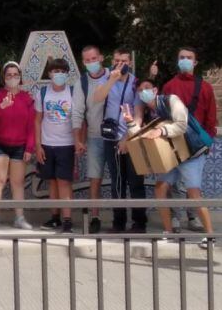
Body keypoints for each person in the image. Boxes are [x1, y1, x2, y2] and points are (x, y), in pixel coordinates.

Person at [132, 79, 215, 249]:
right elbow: (138, 133)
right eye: (140, 90)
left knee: (193, 193)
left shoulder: (172, 100)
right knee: (160, 187)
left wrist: (161, 130)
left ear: (155, 90)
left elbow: (181, 125)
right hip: (173, 156)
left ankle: (210, 236)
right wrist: (129, 121)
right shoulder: (147, 111)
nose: (143, 92)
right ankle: (168, 233)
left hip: (191, 153)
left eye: (147, 88)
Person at [158, 47, 218, 236]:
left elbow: (211, 118)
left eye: (189, 58)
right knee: (167, 185)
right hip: (173, 143)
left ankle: (199, 223)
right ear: (177, 61)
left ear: (195, 62)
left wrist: (207, 142)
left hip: (195, 145)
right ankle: (174, 220)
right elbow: (162, 115)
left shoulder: (206, 87)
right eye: (182, 57)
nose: (185, 60)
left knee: (193, 187)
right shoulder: (168, 86)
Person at [89, 48, 145, 233]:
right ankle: (118, 222)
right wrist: (112, 79)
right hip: (110, 139)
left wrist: (127, 138)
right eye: (117, 60)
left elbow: (138, 115)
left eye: (124, 61)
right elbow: (97, 98)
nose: (120, 64)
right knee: (117, 182)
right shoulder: (106, 79)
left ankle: (139, 222)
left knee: (135, 182)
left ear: (130, 63)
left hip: (132, 138)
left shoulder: (135, 83)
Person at [34, 58, 85, 233]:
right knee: (52, 182)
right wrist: (38, 145)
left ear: (67, 74)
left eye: (62, 72)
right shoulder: (42, 93)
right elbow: (37, 120)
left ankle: (68, 220)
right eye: (56, 71)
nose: (59, 75)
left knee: (64, 182)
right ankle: (54, 217)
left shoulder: (72, 92)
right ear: (49, 74)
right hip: (47, 144)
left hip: (67, 144)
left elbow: (80, 120)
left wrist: (79, 141)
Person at [0, 62, 35, 231]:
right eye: (9, 75)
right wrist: (2, 106)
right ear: (4, 78)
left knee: (17, 182)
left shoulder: (27, 98)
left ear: (20, 77)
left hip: (19, 146)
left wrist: (29, 148)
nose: (12, 78)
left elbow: (31, 125)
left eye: (15, 75)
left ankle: (19, 218)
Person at [76, 45, 111, 233]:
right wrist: (79, 140)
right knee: (94, 179)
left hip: (115, 138)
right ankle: (95, 216)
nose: (91, 63)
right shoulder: (82, 82)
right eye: (87, 60)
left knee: (120, 178)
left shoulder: (114, 75)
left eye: (94, 59)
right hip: (94, 137)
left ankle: (119, 218)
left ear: (101, 58)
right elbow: (79, 113)